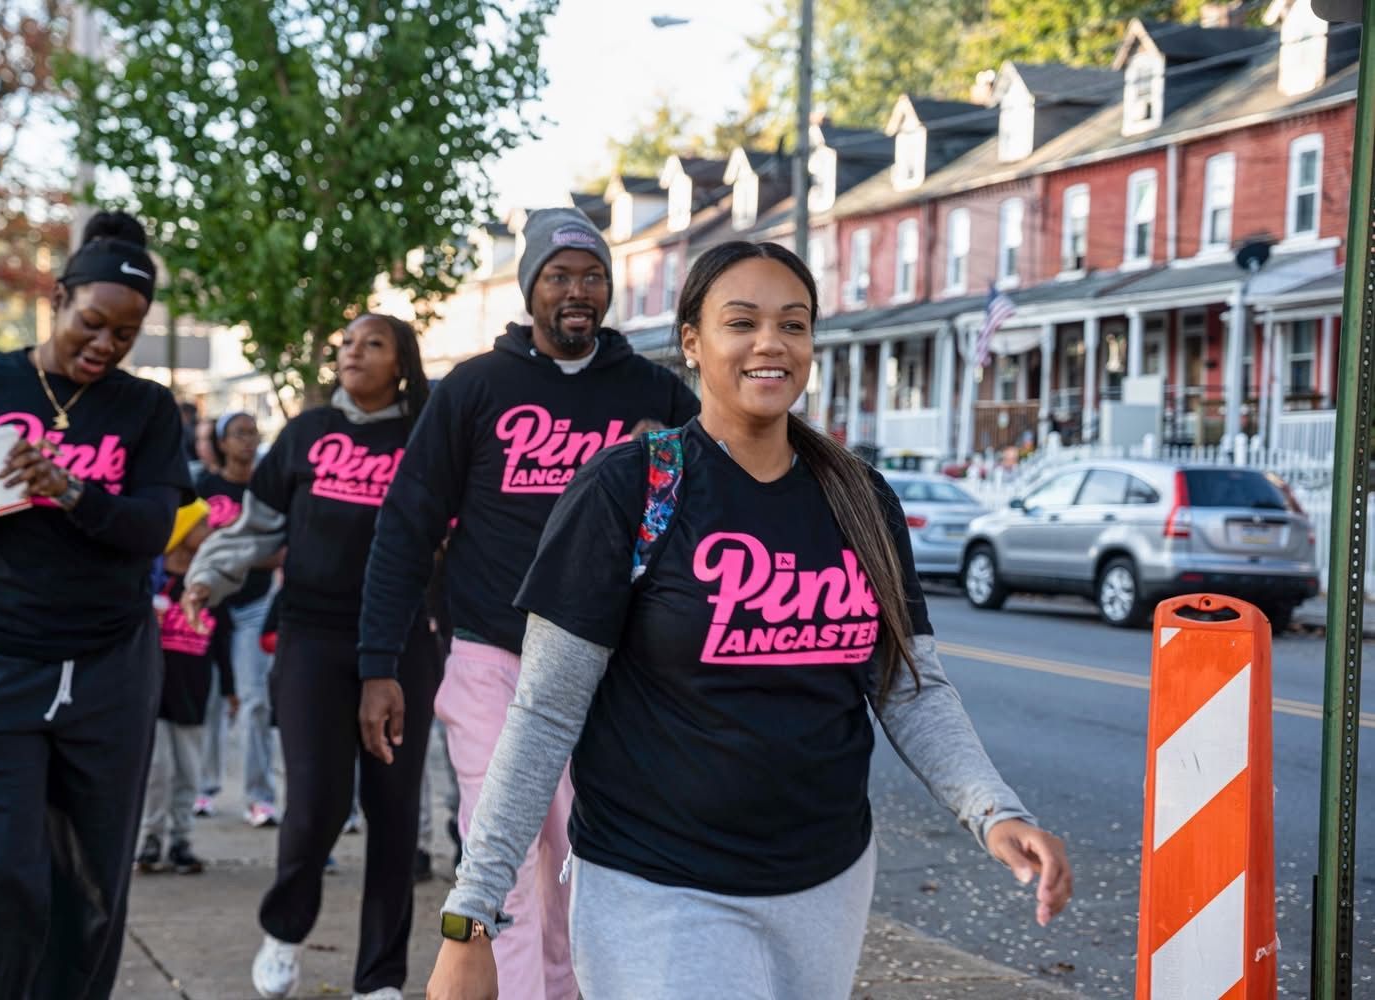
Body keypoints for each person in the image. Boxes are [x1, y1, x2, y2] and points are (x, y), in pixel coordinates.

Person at [425, 242, 1073, 1000]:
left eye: (793, 325)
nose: (772, 343)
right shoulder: (630, 489)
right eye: (743, 322)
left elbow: (909, 687)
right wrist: (472, 915)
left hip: (825, 880)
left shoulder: (859, 497)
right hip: (655, 884)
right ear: (693, 342)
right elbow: (543, 713)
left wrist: (994, 811)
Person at [357, 207, 699, 1000]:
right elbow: (407, 527)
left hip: (610, 671)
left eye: (592, 277)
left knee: (587, 861)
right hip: (491, 657)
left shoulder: (654, 394)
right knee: (500, 863)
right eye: (559, 276)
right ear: (530, 288)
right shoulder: (477, 387)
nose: (577, 292)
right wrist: (379, 664)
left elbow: (703, 528)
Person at [0, 211, 192, 1000]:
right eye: (92, 322)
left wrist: (75, 492)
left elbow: (153, 526)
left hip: (109, 668)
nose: (105, 345)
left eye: (126, 333)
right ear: (57, 297)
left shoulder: (146, 409)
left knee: (89, 882)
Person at [181, 313, 442, 1000]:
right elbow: (256, 524)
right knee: (316, 804)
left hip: (405, 638)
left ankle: (380, 978)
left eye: (373, 344)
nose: (354, 353)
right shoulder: (306, 433)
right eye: (348, 344)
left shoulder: (426, 436)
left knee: (393, 808)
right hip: (312, 636)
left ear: (402, 361)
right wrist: (210, 575)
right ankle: (285, 931)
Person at [137, 499, 237, 876]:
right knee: (157, 770)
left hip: (193, 693)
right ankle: (151, 837)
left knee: (188, 771)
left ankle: (181, 840)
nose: (209, 531)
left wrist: (229, 686)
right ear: (181, 534)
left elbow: (222, 639)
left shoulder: (207, 586)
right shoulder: (153, 583)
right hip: (155, 693)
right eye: (201, 525)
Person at [195, 410, 281, 827]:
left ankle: (259, 797)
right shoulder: (204, 486)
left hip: (255, 607)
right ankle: (203, 788)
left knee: (255, 702)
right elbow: (191, 544)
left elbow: (281, 549)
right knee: (209, 701)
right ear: (221, 442)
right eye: (238, 433)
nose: (248, 440)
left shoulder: (268, 489)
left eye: (253, 432)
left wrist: (230, 551)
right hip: (211, 606)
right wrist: (248, 554)